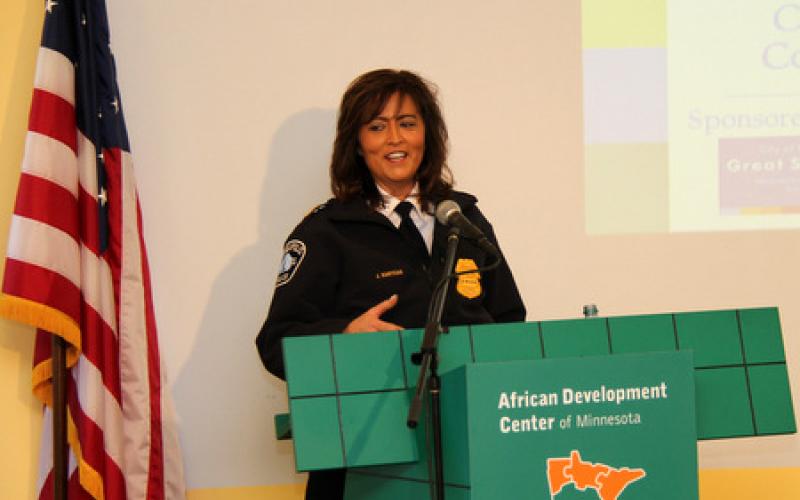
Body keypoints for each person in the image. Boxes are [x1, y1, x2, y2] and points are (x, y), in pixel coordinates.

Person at [256, 69, 526, 500]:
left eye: (408, 123)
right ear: (358, 145)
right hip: (368, 459)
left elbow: (510, 321)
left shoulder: (464, 219)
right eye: (377, 127)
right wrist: (343, 335)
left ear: (427, 135)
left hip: (469, 445)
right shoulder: (326, 231)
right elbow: (276, 344)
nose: (395, 139)